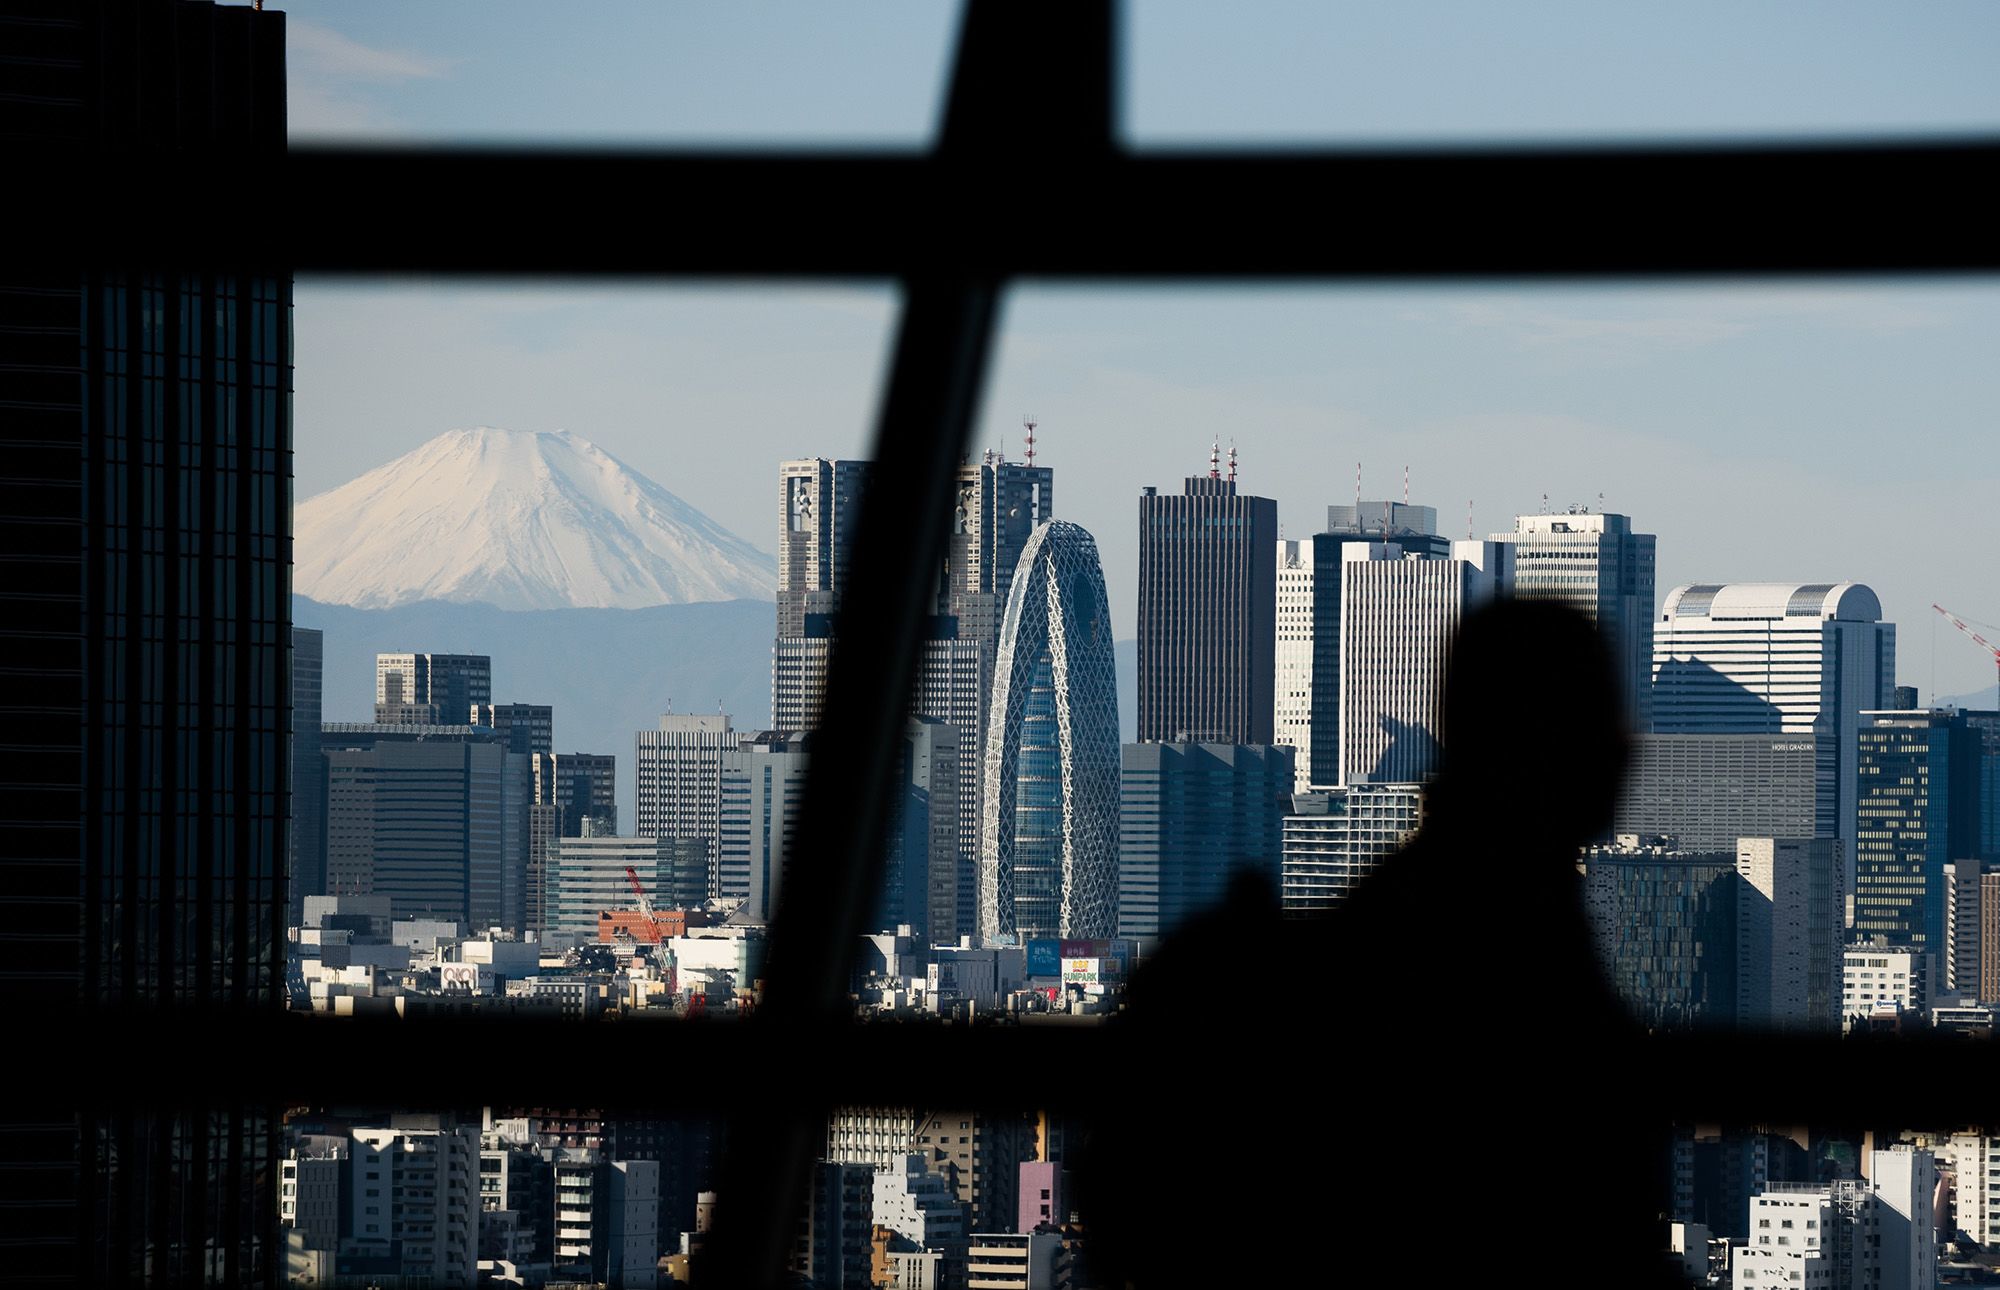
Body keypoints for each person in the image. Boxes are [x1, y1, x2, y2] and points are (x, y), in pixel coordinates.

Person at [1075, 600, 1688, 1287]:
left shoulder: (1289, 974)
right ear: (1563, 750)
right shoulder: (1527, 997)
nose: (1629, 747)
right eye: (1603, 724)